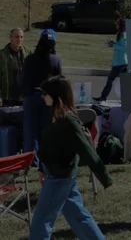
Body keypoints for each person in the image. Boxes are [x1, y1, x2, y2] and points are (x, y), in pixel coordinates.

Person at [29, 76, 113, 240]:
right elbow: (47, 145)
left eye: (45, 93)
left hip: (59, 178)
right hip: (60, 175)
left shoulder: (68, 120)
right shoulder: (55, 115)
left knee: (41, 222)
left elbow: (87, 151)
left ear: (55, 95)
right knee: (79, 217)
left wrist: (106, 178)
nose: (42, 97)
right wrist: (41, 168)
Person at [21, 29, 62, 165]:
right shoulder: (55, 60)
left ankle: (31, 162)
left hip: (31, 97)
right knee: (47, 130)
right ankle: (45, 161)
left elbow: (23, 79)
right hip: (49, 98)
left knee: (31, 132)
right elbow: (60, 82)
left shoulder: (30, 59)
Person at [95, 19, 128, 102]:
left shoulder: (124, 35)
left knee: (119, 82)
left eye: (117, 24)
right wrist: (112, 43)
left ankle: (103, 97)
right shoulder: (120, 34)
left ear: (120, 25)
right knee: (113, 81)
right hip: (118, 62)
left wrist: (113, 44)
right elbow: (119, 46)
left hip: (121, 63)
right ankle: (103, 97)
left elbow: (123, 48)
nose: (116, 25)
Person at [0, 28, 24, 106]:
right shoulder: (2, 55)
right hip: (7, 99)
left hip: (23, 97)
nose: (19, 39)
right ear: (10, 38)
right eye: (16, 37)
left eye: (21, 37)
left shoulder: (27, 53)